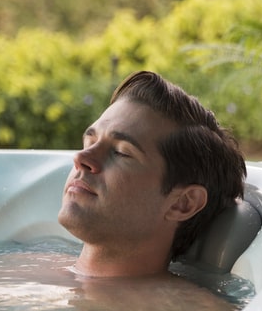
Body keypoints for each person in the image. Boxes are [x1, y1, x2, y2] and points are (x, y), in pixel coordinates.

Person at [58, 70, 247, 278]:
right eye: (90, 142)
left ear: (183, 203)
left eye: (121, 152)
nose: (81, 158)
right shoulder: (29, 270)